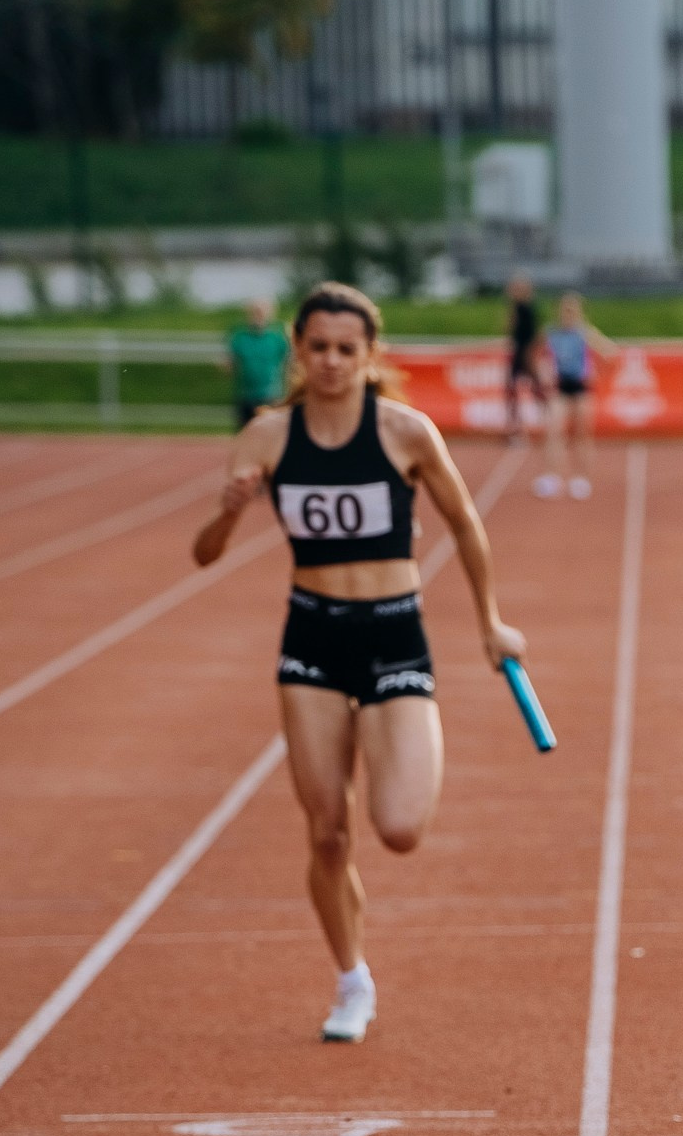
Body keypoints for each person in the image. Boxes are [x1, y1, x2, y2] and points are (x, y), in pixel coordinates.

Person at [191, 281, 526, 1044]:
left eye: (348, 349)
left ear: (371, 354)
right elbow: (203, 554)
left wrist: (489, 621)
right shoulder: (267, 437)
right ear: (297, 353)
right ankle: (352, 979)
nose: (333, 361)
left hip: (393, 631)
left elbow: (465, 524)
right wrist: (230, 508)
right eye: (318, 348)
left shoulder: (406, 431)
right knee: (327, 832)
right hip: (311, 637)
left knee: (400, 826)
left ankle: (405, 733)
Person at [534, 292, 618, 501]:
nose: (568, 314)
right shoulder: (550, 332)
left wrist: (597, 372)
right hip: (560, 387)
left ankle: (581, 478)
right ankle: (552, 477)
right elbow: (535, 354)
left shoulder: (585, 333)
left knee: (582, 434)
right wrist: (543, 373)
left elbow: (610, 353)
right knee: (554, 431)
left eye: (573, 310)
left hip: (581, 388)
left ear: (579, 312)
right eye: (565, 309)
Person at [221, 298, 289, 431]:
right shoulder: (239, 336)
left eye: (262, 312)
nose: (258, 315)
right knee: (244, 434)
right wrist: (227, 366)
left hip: (271, 395)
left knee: (270, 434)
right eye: (255, 312)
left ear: (271, 313)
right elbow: (231, 363)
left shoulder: (277, 337)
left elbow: (288, 364)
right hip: (246, 395)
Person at [503, 272, 543, 441]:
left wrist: (531, 357)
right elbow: (508, 329)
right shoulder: (518, 307)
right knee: (513, 391)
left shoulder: (528, 309)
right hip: (519, 353)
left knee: (535, 390)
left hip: (525, 354)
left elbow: (534, 335)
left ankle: (549, 421)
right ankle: (516, 427)